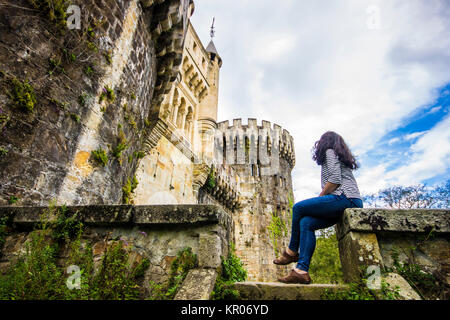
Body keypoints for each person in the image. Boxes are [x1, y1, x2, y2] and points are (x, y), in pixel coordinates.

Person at [274, 131, 363, 284]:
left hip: (345, 198)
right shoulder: (338, 155)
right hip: (348, 200)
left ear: (325, 142)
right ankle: (301, 271)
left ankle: (291, 252)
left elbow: (334, 179)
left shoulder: (330, 151)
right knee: (306, 223)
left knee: (299, 208)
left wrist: (321, 197)